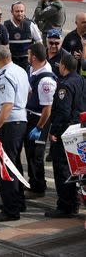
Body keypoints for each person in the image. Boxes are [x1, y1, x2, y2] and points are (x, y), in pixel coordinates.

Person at [0, 45, 30, 222]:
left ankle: (11, 209)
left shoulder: (5, 76)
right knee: (14, 164)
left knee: (5, 167)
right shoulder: (19, 70)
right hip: (18, 122)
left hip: (9, 125)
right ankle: (18, 202)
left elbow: (7, 106)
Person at [45, 54, 85, 218]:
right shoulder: (82, 81)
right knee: (76, 169)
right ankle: (74, 202)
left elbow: (62, 112)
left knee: (62, 169)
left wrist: (55, 132)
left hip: (66, 132)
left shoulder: (65, 85)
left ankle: (65, 205)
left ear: (64, 66)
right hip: (79, 129)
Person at [23, 43, 57, 199]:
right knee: (30, 152)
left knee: (36, 154)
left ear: (34, 57)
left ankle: (38, 187)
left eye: (29, 54)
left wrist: (39, 128)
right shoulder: (34, 69)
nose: (28, 57)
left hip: (39, 119)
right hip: (30, 115)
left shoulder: (46, 81)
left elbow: (47, 109)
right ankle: (33, 182)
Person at [4, 1, 42, 70]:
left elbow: (39, 43)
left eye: (22, 11)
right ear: (12, 12)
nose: (20, 13)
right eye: (17, 11)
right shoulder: (6, 26)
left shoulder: (31, 25)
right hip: (11, 62)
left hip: (27, 62)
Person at [62, 12, 86, 76]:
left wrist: (83, 58)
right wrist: (72, 57)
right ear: (76, 23)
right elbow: (63, 53)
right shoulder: (70, 36)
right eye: (83, 22)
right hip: (73, 71)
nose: (85, 24)